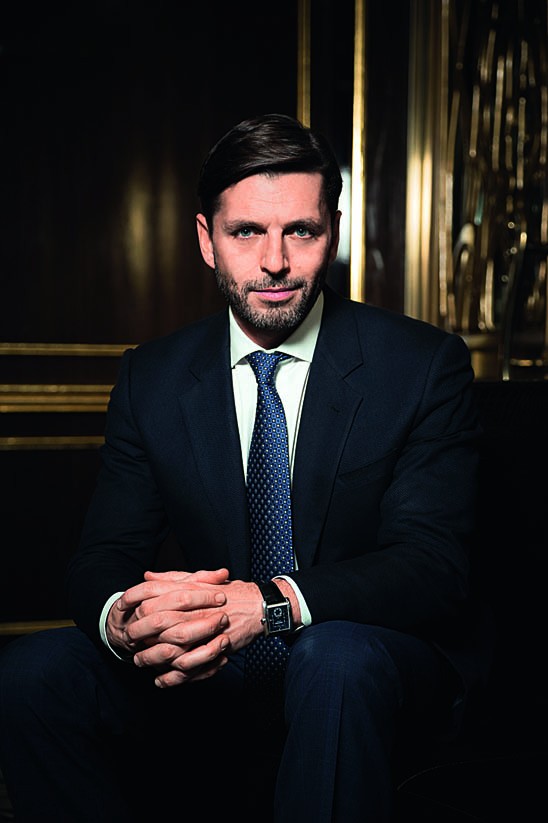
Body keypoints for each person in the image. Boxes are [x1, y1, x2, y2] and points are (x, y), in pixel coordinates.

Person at [0, 113, 491, 823]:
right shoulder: (151, 377)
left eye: (301, 231)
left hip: (365, 665)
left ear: (334, 233)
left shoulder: (420, 365)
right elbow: (102, 557)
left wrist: (269, 604)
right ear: (207, 240)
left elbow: (433, 566)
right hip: (214, 674)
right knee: (31, 673)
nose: (274, 262)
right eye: (246, 232)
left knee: (333, 658)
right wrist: (131, 620)